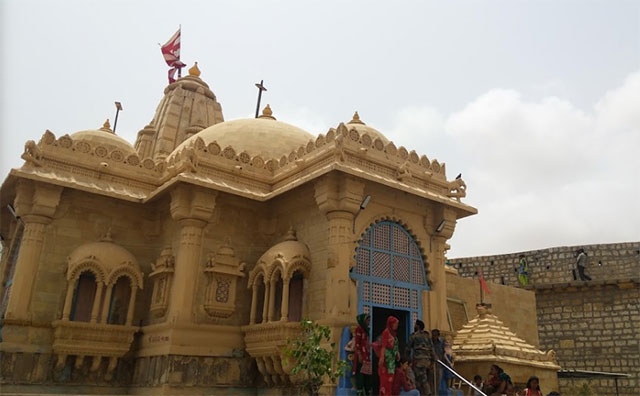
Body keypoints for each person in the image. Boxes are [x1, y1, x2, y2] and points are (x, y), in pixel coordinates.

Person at [407, 319, 436, 396]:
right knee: (425, 378)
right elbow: (432, 349)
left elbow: (408, 348)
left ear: (418, 326)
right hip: (427, 361)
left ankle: (427, 393)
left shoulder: (414, 336)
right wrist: (433, 361)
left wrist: (406, 361)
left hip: (419, 361)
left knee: (421, 379)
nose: (414, 326)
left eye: (415, 325)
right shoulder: (427, 336)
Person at [378, 316, 400, 396]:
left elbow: (395, 346)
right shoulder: (386, 332)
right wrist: (382, 357)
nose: (396, 325)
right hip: (386, 360)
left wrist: (397, 353)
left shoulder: (394, 334)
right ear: (391, 324)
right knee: (385, 380)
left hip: (392, 360)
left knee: (391, 379)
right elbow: (383, 345)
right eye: (395, 324)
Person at [353, 313, 373, 396]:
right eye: (367, 320)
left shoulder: (366, 330)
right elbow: (357, 344)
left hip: (367, 358)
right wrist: (359, 355)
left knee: (368, 379)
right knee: (360, 378)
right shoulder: (359, 329)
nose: (369, 322)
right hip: (361, 358)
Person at [431, 329, 445, 393]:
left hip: (439, 365)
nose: (434, 337)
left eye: (435, 335)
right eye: (433, 335)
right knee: (431, 382)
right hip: (431, 365)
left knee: (438, 383)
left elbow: (443, 352)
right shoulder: (430, 342)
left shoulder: (441, 342)